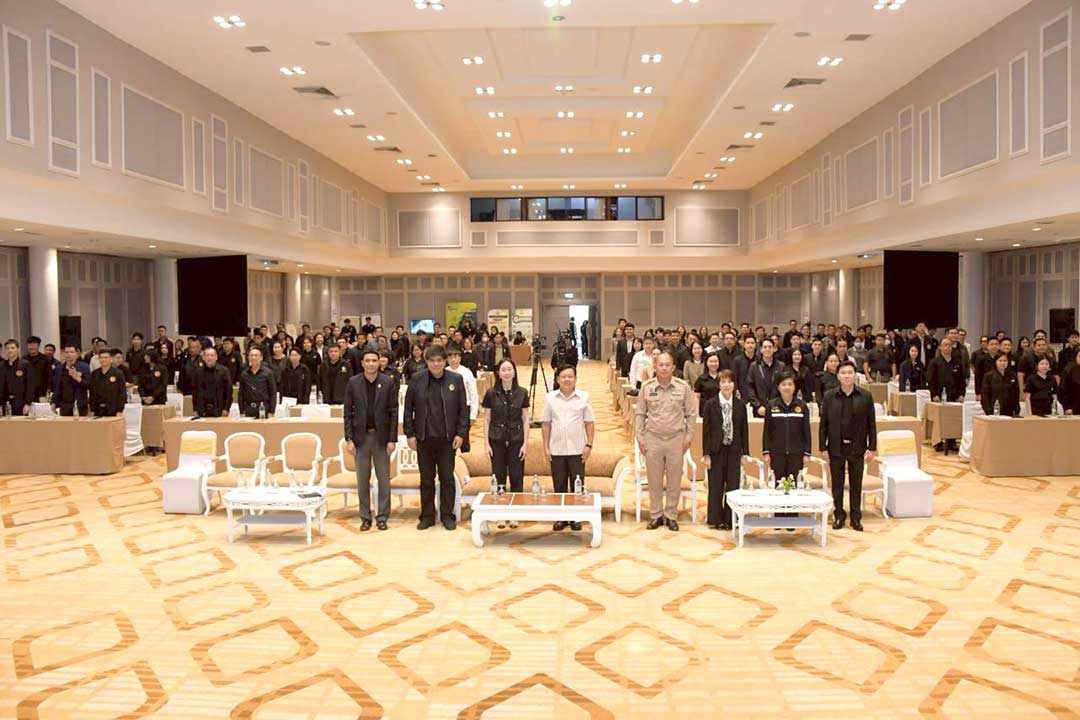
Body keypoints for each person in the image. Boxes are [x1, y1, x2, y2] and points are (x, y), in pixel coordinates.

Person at [403, 344, 470, 531]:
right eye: (432, 361)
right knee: (426, 479)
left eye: (439, 360)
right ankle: (427, 516)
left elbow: (463, 410)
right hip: (424, 439)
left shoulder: (456, 379)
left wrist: (461, 433)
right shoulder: (417, 379)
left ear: (445, 361)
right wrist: (410, 434)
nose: (435, 364)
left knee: (447, 479)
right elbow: (408, 409)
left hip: (447, 439)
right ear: (426, 361)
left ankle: (447, 515)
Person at [635, 351, 696, 531]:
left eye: (667, 365)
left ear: (673, 367)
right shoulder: (647, 387)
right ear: (655, 367)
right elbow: (640, 414)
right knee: (654, 480)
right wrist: (640, 438)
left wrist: (688, 437)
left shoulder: (683, 387)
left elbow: (691, 414)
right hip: (653, 439)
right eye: (660, 365)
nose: (663, 368)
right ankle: (656, 515)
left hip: (676, 440)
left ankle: (670, 515)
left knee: (674, 481)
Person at [344, 349, 399, 531]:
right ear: (362, 363)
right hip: (360, 438)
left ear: (379, 362)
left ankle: (382, 516)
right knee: (362, 480)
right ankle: (365, 517)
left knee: (384, 480)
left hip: (381, 438)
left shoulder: (388, 382)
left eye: (374, 360)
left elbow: (393, 412)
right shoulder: (353, 382)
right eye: (367, 360)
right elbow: (347, 413)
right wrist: (349, 438)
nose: (370, 364)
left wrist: (392, 439)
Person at [820, 361, 877, 531]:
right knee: (837, 484)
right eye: (843, 373)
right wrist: (823, 446)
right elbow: (824, 424)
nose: (847, 376)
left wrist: (872, 447)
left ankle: (856, 517)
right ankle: (839, 514)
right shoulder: (829, 396)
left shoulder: (865, 396)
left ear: (855, 375)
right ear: (838, 376)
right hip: (836, 447)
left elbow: (871, 424)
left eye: (850, 372)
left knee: (855, 484)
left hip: (857, 447)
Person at [541, 364, 596, 531]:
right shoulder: (550, 398)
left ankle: (575, 517)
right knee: (559, 485)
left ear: (575, 379)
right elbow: (546, 423)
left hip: (577, 450)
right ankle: (561, 517)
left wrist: (589, 445)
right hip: (556, 449)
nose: (567, 379)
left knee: (577, 485)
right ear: (558, 379)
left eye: (570, 376)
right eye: (563, 376)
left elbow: (589, 423)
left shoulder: (584, 397)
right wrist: (546, 447)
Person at [762, 371, 812, 526]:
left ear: (794, 387)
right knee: (778, 485)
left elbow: (807, 431)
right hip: (777, 453)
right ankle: (778, 517)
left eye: (790, 384)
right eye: (783, 384)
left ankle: (791, 518)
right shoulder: (772, 405)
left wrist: (807, 452)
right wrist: (766, 451)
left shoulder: (802, 406)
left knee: (793, 485)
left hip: (796, 453)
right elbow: (767, 431)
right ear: (778, 387)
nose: (787, 387)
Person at [701, 370, 749, 530]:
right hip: (716, 450)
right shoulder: (710, 404)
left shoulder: (740, 405)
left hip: (734, 450)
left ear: (734, 384)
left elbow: (744, 430)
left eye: (729, 382)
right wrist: (706, 454)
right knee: (716, 486)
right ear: (719, 384)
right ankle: (715, 519)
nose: (726, 385)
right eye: (723, 382)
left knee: (733, 486)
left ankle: (730, 519)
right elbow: (706, 431)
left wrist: (745, 452)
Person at [483, 358, 530, 502]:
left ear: (514, 372)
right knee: (498, 479)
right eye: (503, 370)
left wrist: (525, 443)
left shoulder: (522, 393)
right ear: (498, 373)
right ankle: (500, 509)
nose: (507, 372)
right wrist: (486, 444)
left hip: (516, 440)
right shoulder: (490, 393)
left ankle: (516, 509)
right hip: (496, 440)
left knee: (517, 478)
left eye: (510, 369)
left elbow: (525, 419)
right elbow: (486, 420)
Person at [747, 338, 784, 417]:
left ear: (774, 349)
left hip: (777, 408)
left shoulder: (781, 366)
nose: (767, 349)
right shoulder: (754, 366)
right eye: (765, 347)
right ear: (761, 350)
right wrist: (758, 405)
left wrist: (779, 404)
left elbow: (783, 387)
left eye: (770, 347)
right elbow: (750, 387)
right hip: (759, 410)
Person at [237, 347, 276, 418]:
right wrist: (241, 411)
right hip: (249, 409)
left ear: (261, 358)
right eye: (251, 355)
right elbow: (241, 394)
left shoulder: (268, 373)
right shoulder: (244, 374)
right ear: (248, 358)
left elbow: (273, 393)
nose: (253, 357)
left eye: (256, 355)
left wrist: (271, 411)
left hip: (264, 408)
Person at [193, 347, 232, 418]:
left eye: (212, 355)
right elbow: (195, 392)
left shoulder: (224, 371)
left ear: (216, 357)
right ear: (203, 358)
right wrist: (195, 409)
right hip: (202, 409)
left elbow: (229, 392)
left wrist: (226, 409)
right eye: (207, 355)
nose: (209, 357)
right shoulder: (198, 372)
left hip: (219, 409)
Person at [88, 348, 127, 417]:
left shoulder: (118, 373)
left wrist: (120, 410)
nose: (103, 360)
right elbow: (92, 393)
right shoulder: (94, 374)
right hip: (97, 409)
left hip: (113, 409)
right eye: (101, 358)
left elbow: (122, 393)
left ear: (111, 359)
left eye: (106, 357)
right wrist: (92, 409)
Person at [53, 344, 90, 416]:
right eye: (66, 352)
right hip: (64, 404)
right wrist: (54, 402)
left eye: (71, 352)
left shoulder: (84, 367)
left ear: (77, 353)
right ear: (63, 354)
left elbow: (88, 385)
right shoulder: (59, 368)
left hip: (79, 404)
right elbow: (57, 387)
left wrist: (78, 378)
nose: (69, 354)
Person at [980, 352, 1020, 416]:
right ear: (995, 362)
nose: (1003, 363)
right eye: (1000, 361)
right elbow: (985, 396)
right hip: (994, 411)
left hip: (1010, 412)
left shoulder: (1012, 376)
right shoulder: (989, 376)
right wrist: (988, 411)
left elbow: (1016, 394)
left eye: (1005, 360)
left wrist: (1016, 410)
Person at [928, 337, 966, 403]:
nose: (948, 347)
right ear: (940, 347)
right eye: (945, 345)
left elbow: (962, 380)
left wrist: (961, 395)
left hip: (955, 398)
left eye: (950, 345)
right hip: (938, 397)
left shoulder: (957, 362)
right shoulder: (934, 362)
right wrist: (934, 394)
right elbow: (930, 380)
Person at [0, 338, 33, 415]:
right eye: (7, 348)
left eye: (12, 348)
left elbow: (30, 386)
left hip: (21, 403)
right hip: (5, 402)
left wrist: (28, 403)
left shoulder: (25, 364)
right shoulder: (1, 365)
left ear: (17, 349)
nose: (10, 350)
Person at [447, 348, 479, 423]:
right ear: (447, 360)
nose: (453, 360)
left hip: (464, 407)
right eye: (450, 358)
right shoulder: (444, 372)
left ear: (460, 358)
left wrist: (473, 414)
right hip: (448, 408)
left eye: (455, 357)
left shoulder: (467, 372)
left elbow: (473, 394)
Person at [23, 336, 52, 402]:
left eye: (34, 345)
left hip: (41, 393)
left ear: (38, 346)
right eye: (29, 345)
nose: (31, 347)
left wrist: (48, 391)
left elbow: (49, 377)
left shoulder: (45, 359)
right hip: (26, 393)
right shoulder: (23, 359)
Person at [732, 335, 758, 402]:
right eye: (748, 343)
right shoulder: (737, 360)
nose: (750, 345)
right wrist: (736, 390)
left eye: (752, 343)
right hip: (742, 394)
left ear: (755, 345)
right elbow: (735, 377)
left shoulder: (759, 360)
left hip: (756, 394)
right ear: (744, 345)